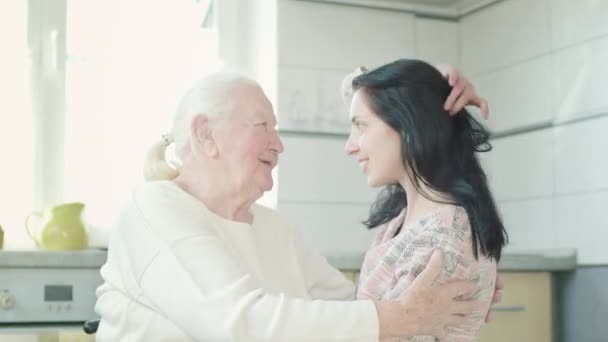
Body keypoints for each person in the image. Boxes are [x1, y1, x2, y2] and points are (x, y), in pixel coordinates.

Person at [94, 66, 497, 341]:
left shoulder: (273, 230)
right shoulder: (157, 208)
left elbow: (355, 310)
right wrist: (407, 315)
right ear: (206, 136)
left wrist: (451, 291)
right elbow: (239, 325)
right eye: (262, 126)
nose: (278, 143)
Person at [342, 59, 508, 341]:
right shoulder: (411, 219)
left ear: (408, 125)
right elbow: (358, 92)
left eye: (361, 127)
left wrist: (428, 88)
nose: (350, 146)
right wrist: (431, 83)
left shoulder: (438, 241)